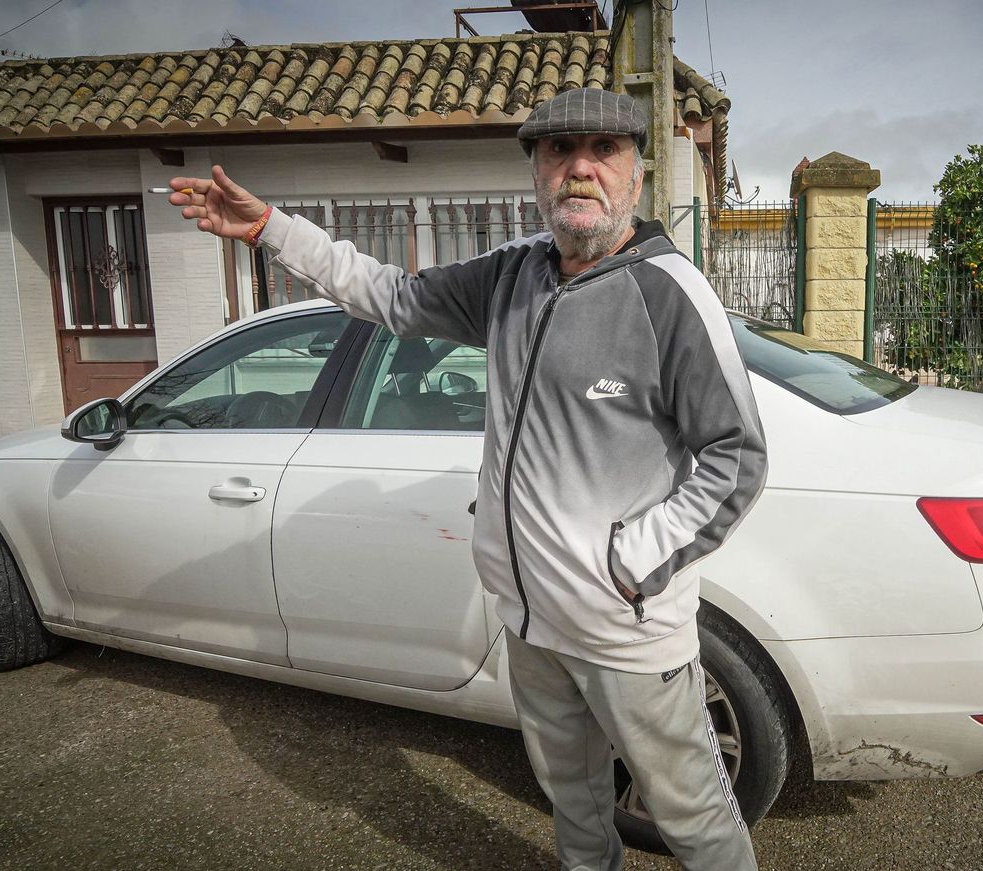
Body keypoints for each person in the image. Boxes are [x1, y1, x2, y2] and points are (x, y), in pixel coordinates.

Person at [168, 88, 767, 871]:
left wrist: (627, 564)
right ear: (537, 174)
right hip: (527, 623)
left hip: (627, 632)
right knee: (576, 806)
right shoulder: (511, 276)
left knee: (695, 819)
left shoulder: (671, 294)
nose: (580, 168)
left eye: (603, 151)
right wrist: (272, 230)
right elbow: (390, 295)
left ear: (637, 177)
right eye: (559, 151)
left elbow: (737, 456)